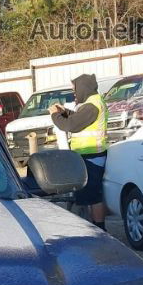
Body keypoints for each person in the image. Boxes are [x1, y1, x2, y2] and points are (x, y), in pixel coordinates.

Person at [49, 73, 108, 230]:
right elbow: (79, 119)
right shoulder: (91, 103)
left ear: (83, 88)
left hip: (92, 156)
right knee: (88, 194)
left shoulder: (92, 105)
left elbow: (71, 125)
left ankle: (99, 228)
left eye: (75, 89)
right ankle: (95, 227)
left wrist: (55, 115)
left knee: (93, 195)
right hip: (88, 155)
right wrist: (64, 112)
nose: (74, 93)